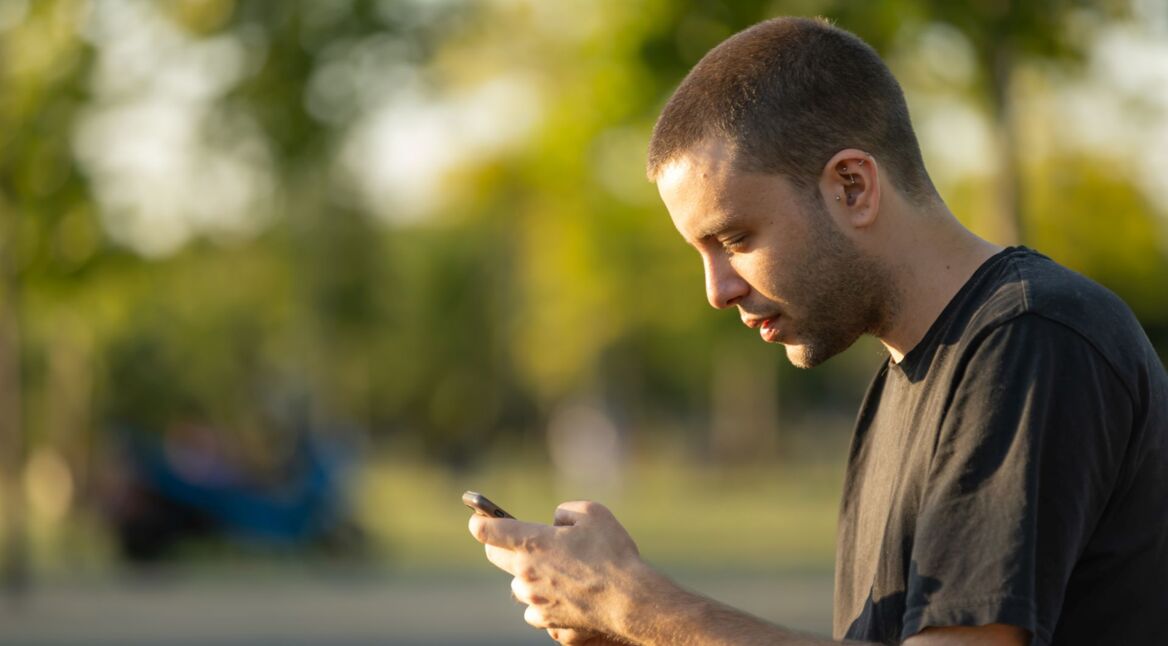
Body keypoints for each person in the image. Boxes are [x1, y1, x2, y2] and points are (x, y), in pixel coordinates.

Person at [467, 16, 1168, 645]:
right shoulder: (907, 379)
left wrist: (640, 607)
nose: (717, 291)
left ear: (853, 187)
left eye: (735, 238)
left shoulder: (1031, 340)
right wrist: (631, 630)